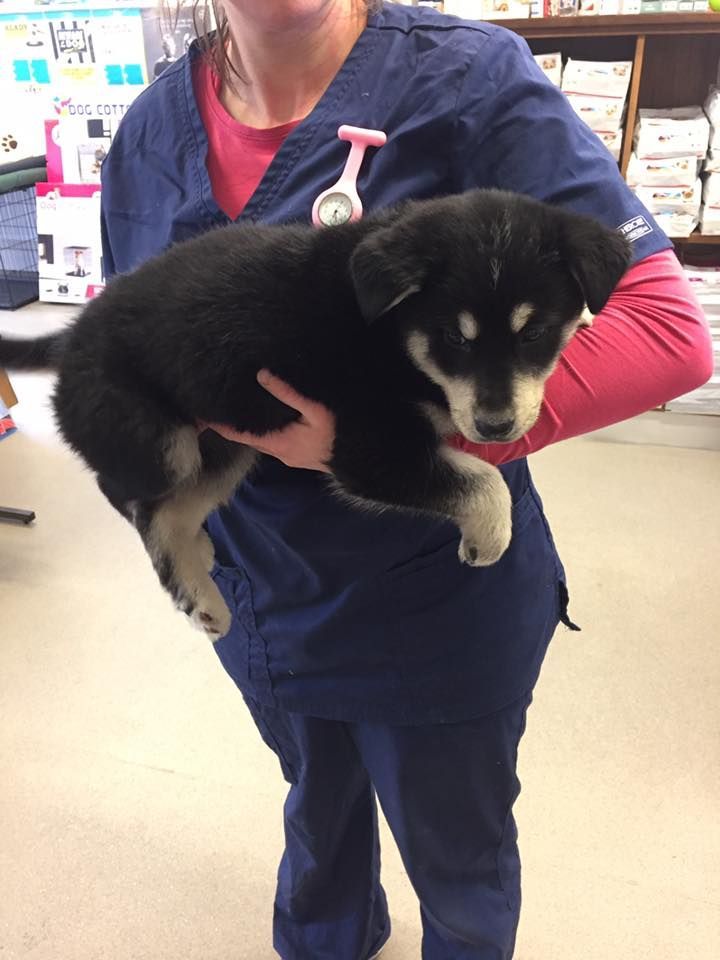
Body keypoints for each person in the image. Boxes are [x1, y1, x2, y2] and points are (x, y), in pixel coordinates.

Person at [99, 2, 712, 957]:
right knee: (316, 806)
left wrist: (459, 436)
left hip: (431, 601)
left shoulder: (468, 80)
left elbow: (670, 332)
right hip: (264, 590)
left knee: (456, 856)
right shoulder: (147, 134)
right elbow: (135, 337)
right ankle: (331, 935)